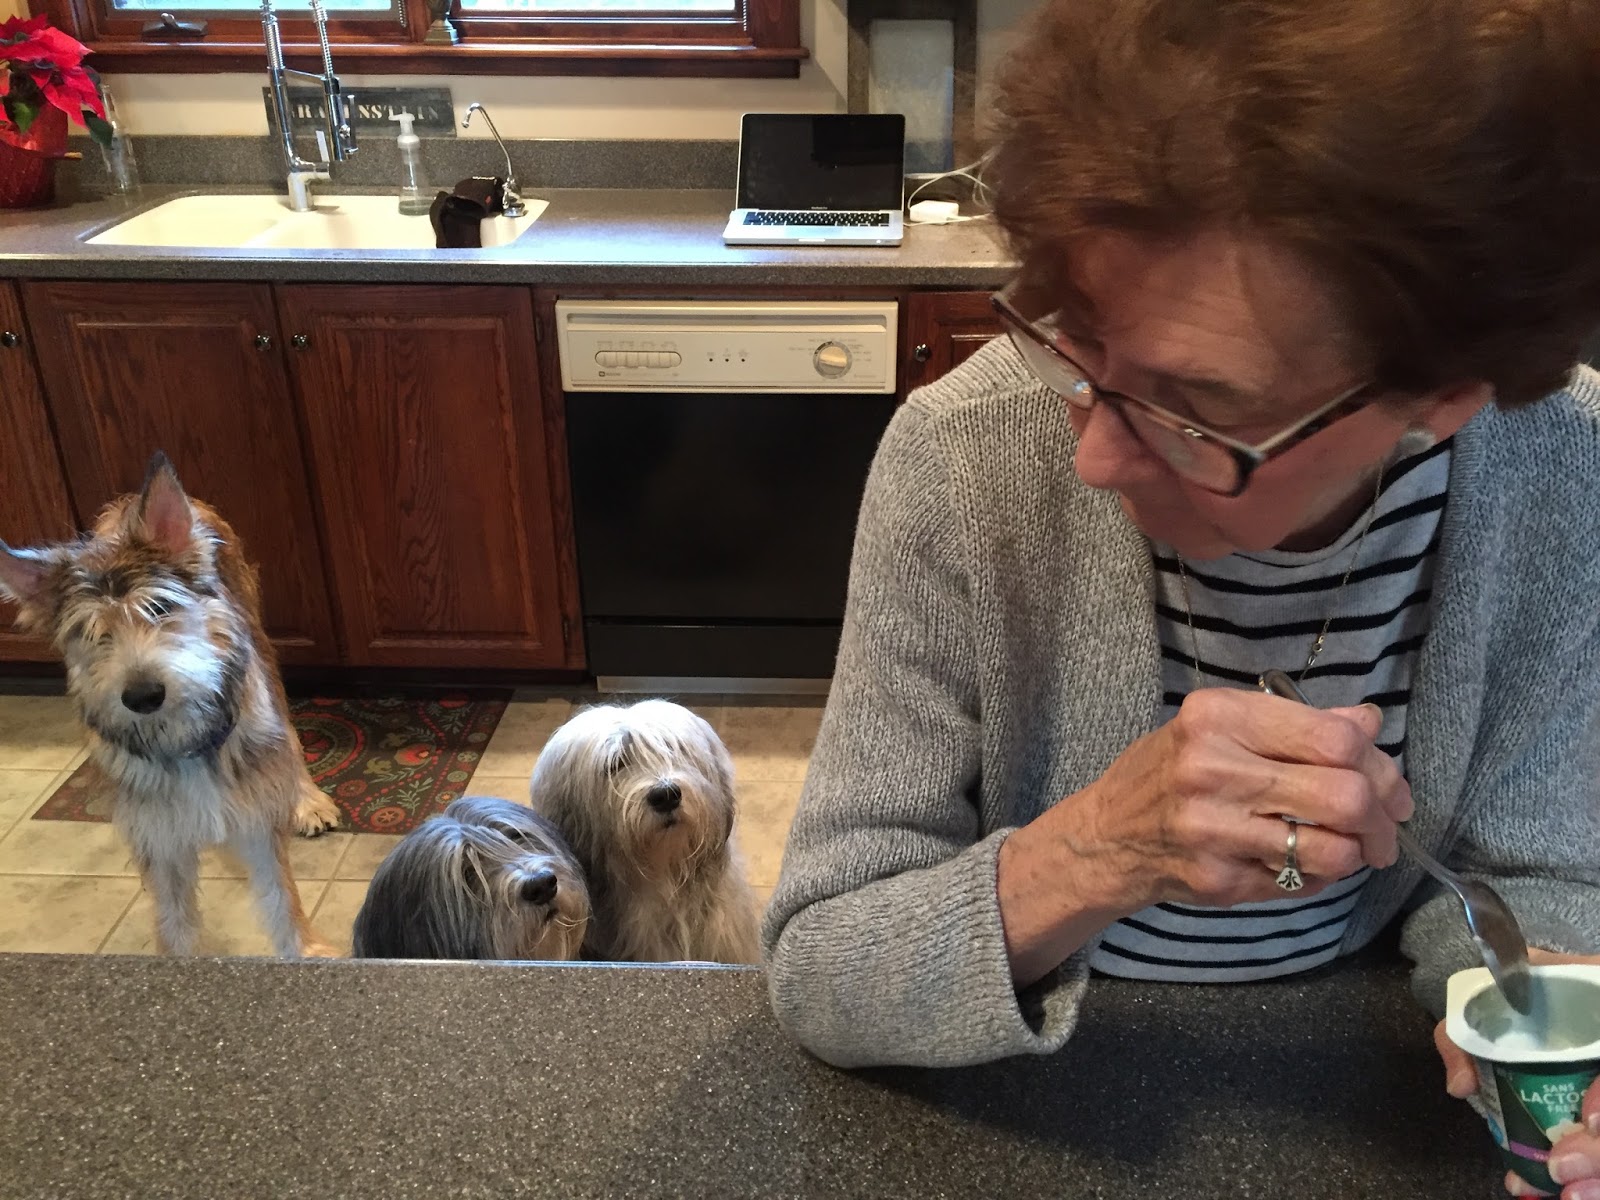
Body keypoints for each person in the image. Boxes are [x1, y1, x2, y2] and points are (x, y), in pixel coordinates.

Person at [761, 1, 1600, 1196]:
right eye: (1077, 337)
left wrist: (1548, 1017)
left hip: (1368, 1095)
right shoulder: (962, 458)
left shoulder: (1564, 471)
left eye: (1194, 410)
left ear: (1444, 394)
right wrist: (1101, 847)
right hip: (1023, 1112)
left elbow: (1532, 882)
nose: (1094, 455)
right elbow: (822, 966)